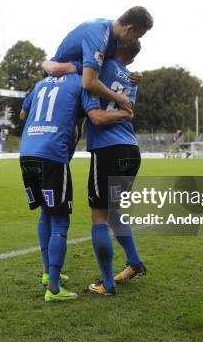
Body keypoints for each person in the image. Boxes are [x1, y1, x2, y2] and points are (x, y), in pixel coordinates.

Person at [19, 72, 133, 302]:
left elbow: (23, 114)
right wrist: (124, 109)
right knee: (61, 220)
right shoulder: (81, 82)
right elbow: (95, 117)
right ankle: (53, 288)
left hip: (27, 151)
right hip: (52, 153)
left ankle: (47, 273)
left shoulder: (40, 83)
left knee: (45, 213)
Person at [80, 40, 147, 296]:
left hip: (108, 150)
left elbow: (96, 114)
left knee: (99, 216)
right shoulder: (131, 78)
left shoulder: (99, 67)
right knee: (114, 210)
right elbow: (128, 111)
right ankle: (134, 261)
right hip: (131, 150)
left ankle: (107, 285)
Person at [44, 6, 153, 114]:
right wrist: (119, 98)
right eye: (138, 36)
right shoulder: (99, 35)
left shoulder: (111, 36)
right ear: (129, 29)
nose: (135, 40)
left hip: (74, 75)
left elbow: (107, 68)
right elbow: (89, 83)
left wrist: (135, 76)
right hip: (56, 81)